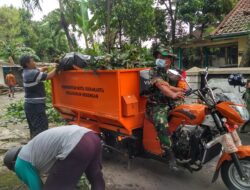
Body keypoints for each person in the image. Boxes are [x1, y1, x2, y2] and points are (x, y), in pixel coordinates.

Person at [3, 125, 105, 190]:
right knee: (95, 177)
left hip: (76, 143)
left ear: (13, 163)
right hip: (91, 136)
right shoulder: (32, 150)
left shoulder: (20, 163)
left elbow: (36, 187)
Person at [146, 47, 184, 158]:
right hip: (156, 105)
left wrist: (179, 90)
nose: (159, 59)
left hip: (170, 103)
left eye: (163, 57)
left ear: (170, 60)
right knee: (161, 121)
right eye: (158, 57)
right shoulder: (154, 71)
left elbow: (170, 85)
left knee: (189, 112)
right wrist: (173, 94)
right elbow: (161, 85)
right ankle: (168, 151)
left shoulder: (173, 72)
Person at [20, 55, 57, 138]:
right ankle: (40, 148)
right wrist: (58, 67)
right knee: (41, 129)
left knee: (34, 129)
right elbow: (49, 76)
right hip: (35, 107)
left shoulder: (25, 72)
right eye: (32, 61)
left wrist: (44, 68)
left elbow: (38, 71)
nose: (34, 62)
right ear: (27, 64)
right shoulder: (32, 73)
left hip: (30, 106)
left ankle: (33, 147)